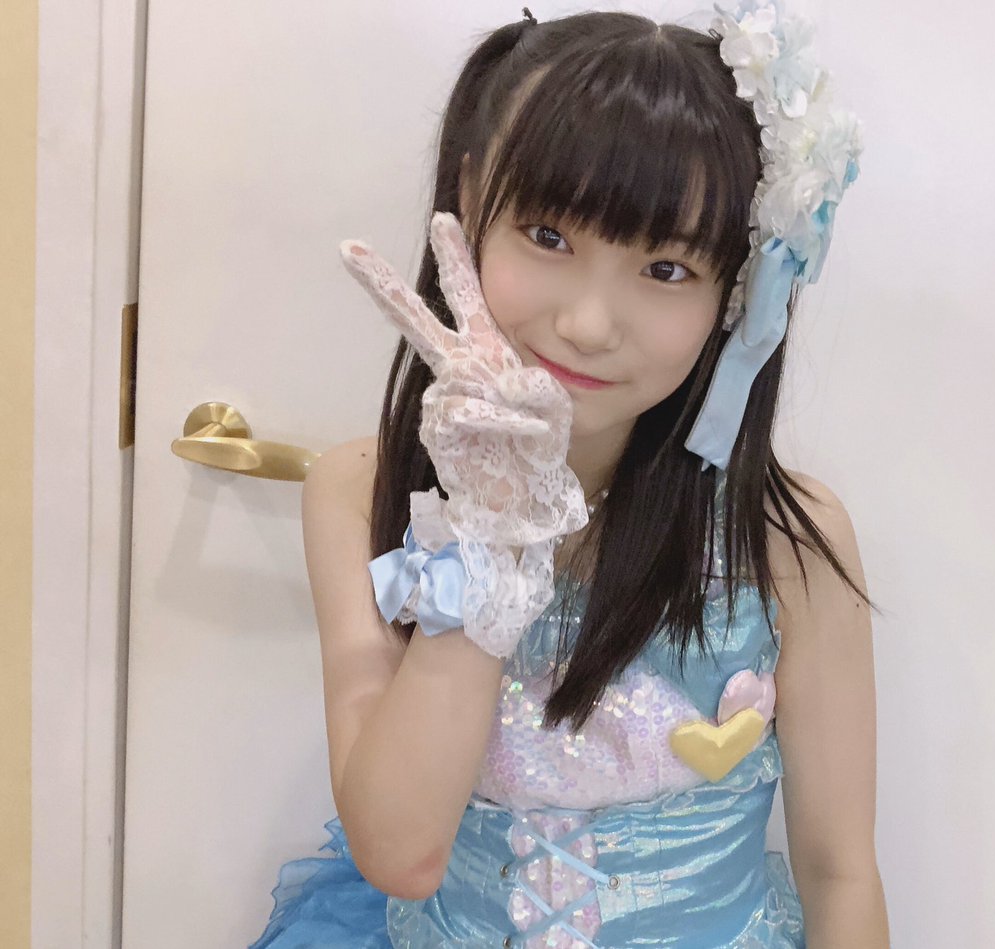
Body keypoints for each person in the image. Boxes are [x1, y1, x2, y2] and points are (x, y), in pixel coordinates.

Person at [249, 2, 889, 947]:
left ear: (735, 292)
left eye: (666, 268)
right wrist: (491, 529)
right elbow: (400, 851)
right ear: (472, 206)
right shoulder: (360, 490)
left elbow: (841, 872)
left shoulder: (785, 539)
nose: (588, 323)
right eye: (548, 236)